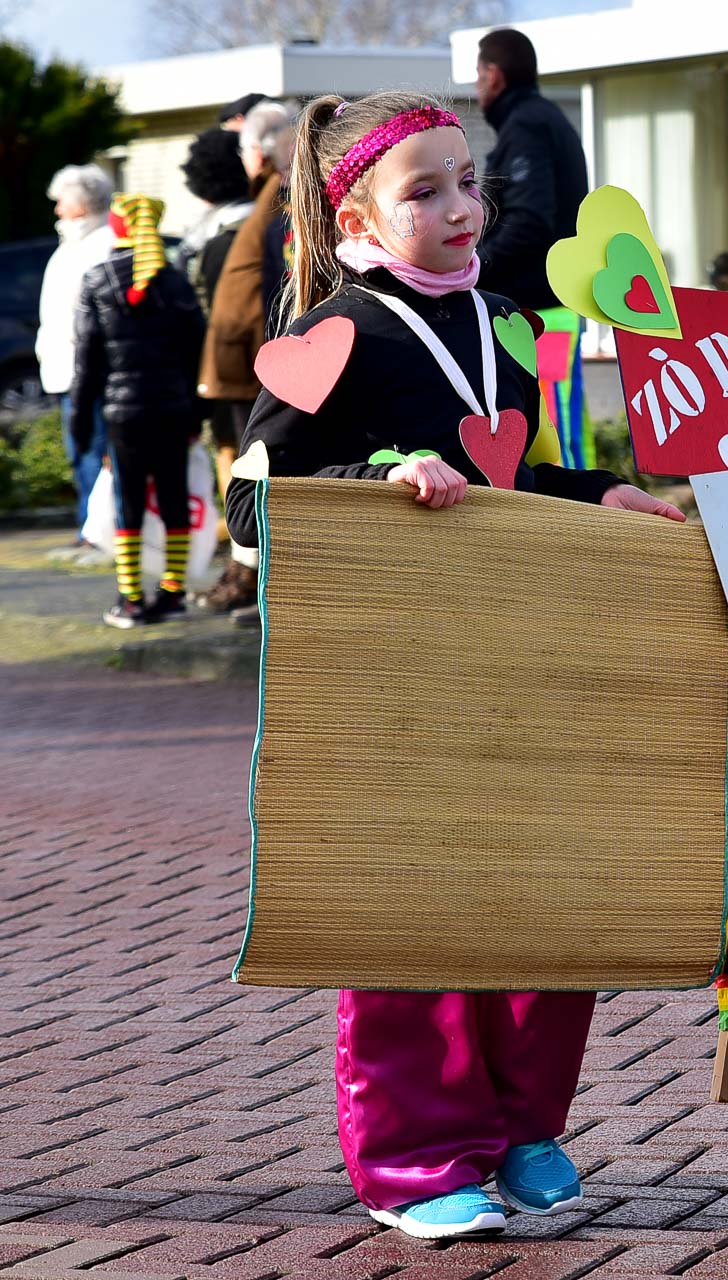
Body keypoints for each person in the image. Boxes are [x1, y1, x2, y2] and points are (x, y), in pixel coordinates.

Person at [224, 90, 685, 1241]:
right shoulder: (334, 332)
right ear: (356, 219)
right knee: (418, 910)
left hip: (519, 660)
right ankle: (416, 1157)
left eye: (468, 181)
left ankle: (523, 1124)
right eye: (423, 191)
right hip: (397, 678)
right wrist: (376, 480)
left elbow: (506, 482)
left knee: (541, 895)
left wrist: (601, 492)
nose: (461, 206)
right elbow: (247, 503)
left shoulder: (510, 325)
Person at [70, 194, 206, 628]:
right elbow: (197, 354)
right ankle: (173, 592)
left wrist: (79, 423)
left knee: (127, 500)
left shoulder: (96, 279)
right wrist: (197, 415)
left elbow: (86, 362)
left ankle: (130, 598)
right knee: (173, 499)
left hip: (123, 413)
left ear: (118, 227)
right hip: (174, 410)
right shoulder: (176, 281)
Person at [201, 99, 290, 616]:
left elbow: (279, 278)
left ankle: (262, 581)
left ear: (258, 152)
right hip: (249, 354)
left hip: (261, 356)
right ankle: (252, 576)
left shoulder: (282, 192)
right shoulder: (271, 194)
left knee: (261, 467)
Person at [473, 27, 587, 311]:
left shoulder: (525, 127)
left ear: (493, 76)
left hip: (532, 310)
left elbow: (528, 221)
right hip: (554, 301)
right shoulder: (546, 117)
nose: (476, 86)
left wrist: (473, 268)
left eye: (479, 75)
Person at [37, 163, 118, 540]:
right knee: (80, 448)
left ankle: (97, 529)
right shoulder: (70, 246)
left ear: (83, 204)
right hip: (64, 367)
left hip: (88, 368)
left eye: (62, 201)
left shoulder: (101, 245)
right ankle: (91, 526)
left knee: (92, 448)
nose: (57, 209)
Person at [177, 126, 255, 510]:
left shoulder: (207, 241)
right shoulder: (278, 224)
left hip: (223, 361)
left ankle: (243, 533)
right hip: (277, 355)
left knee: (231, 449)